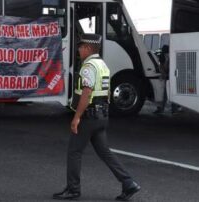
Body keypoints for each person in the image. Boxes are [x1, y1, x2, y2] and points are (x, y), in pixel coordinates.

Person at [53, 34, 140, 201]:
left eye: (80, 46)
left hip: (89, 117)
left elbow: (87, 92)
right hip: (101, 116)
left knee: (74, 152)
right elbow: (105, 92)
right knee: (105, 152)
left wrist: (76, 117)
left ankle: (73, 189)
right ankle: (129, 183)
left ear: (87, 48)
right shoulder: (102, 65)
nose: (78, 49)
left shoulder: (88, 67)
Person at [154, 45, 181, 114]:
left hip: (171, 78)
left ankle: (171, 109)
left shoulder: (172, 57)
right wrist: (164, 74)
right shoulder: (163, 58)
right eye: (165, 53)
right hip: (167, 78)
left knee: (169, 94)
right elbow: (161, 67)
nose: (166, 54)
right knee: (166, 94)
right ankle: (172, 110)